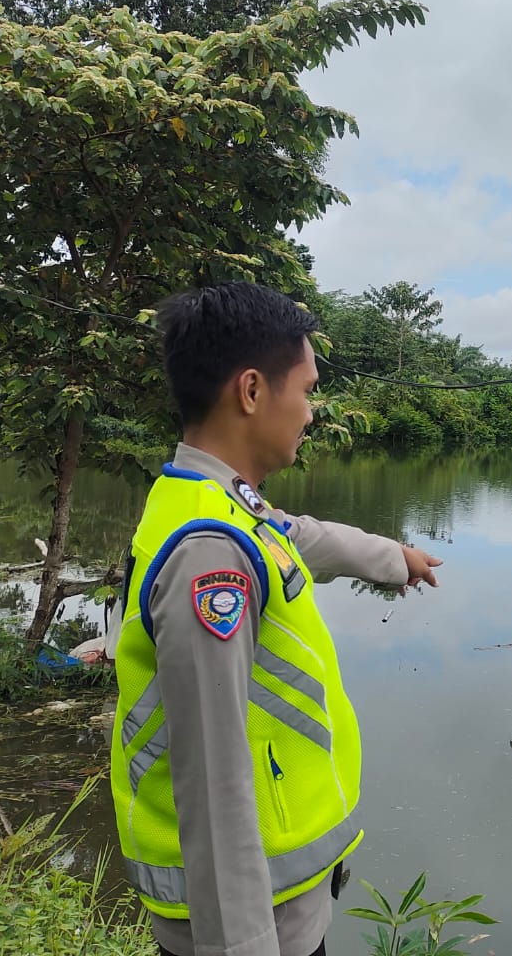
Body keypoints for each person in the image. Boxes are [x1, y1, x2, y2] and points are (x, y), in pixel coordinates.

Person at [109, 282, 443, 956]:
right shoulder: (211, 553)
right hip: (253, 921)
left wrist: (392, 558)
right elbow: (213, 781)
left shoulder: (215, 501)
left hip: (285, 897)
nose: (312, 412)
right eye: (308, 388)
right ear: (253, 391)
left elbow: (302, 538)